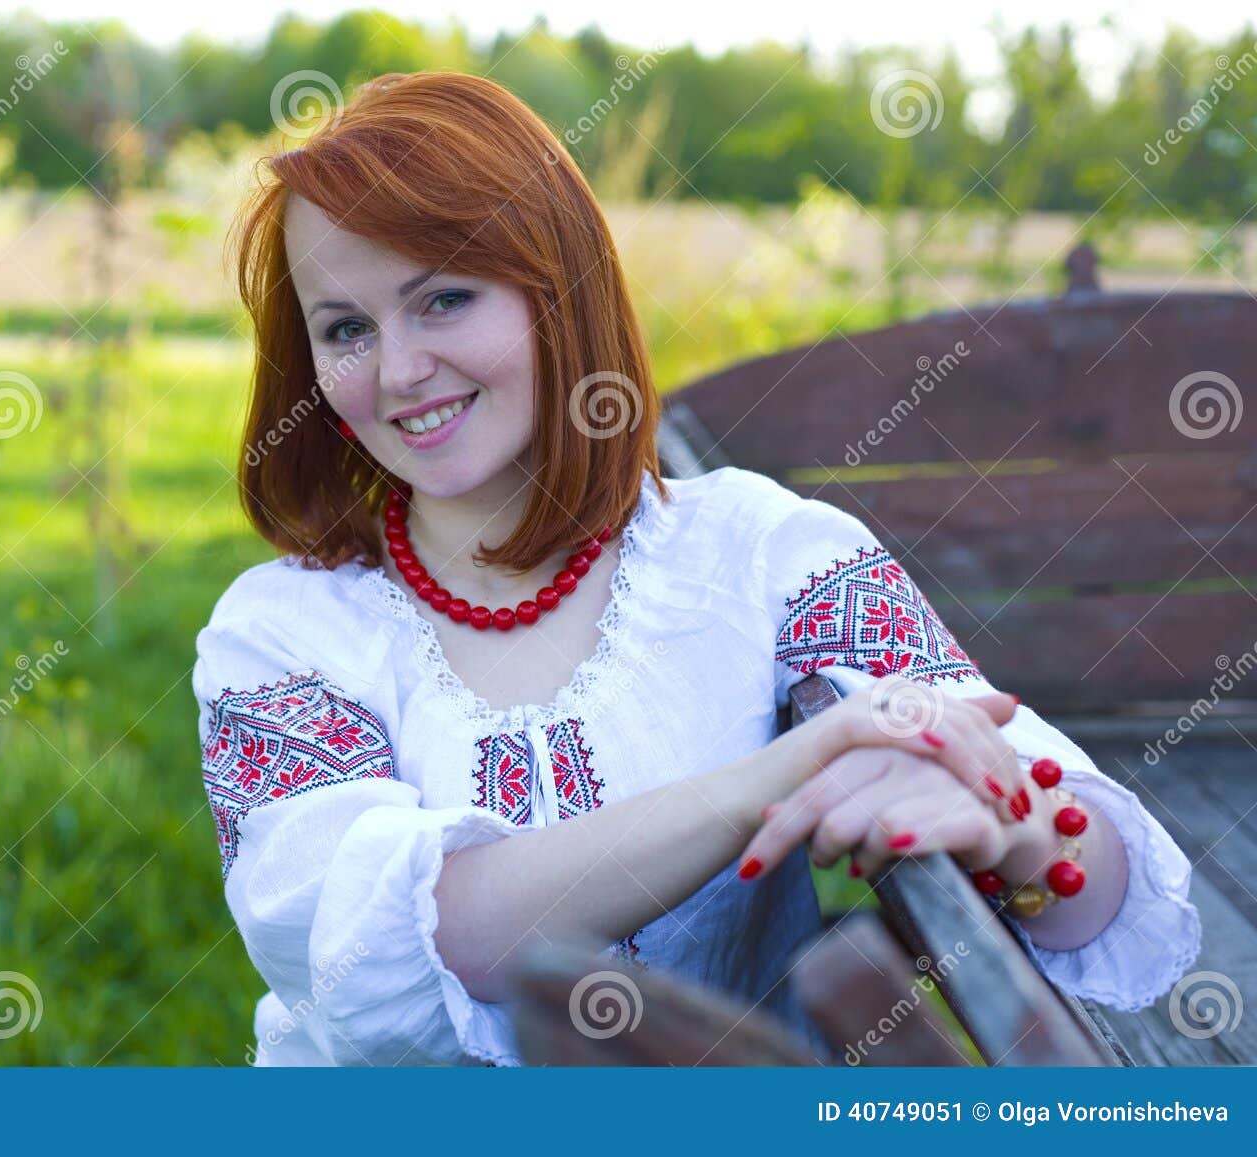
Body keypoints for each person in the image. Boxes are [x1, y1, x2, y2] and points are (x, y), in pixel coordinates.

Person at [193, 70, 1201, 1066]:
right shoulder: (280, 636)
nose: (398, 369)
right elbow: (412, 941)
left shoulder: (760, 553)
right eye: (347, 328)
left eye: (445, 299)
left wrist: (1015, 836)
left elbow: (1084, 859)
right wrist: (778, 775)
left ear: (559, 291)